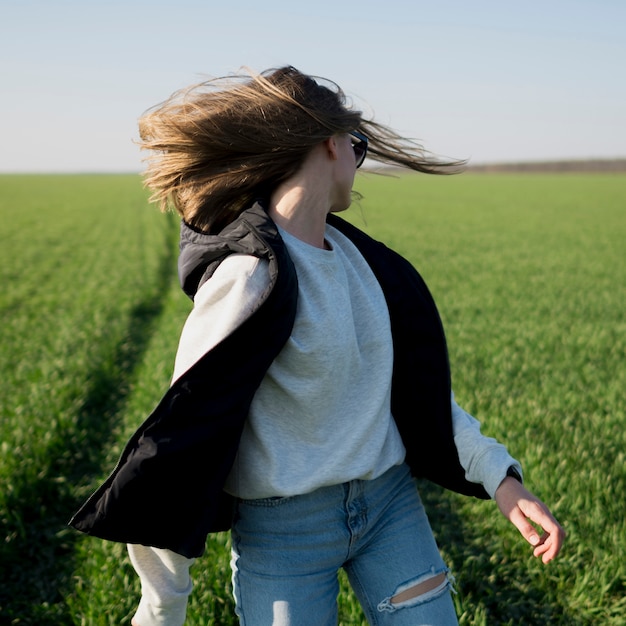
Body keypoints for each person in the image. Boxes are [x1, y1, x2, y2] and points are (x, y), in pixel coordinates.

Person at [70, 66, 565, 625]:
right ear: (330, 144)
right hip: (284, 533)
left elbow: (415, 396)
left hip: (389, 508)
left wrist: (499, 476)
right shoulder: (247, 281)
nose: (360, 163)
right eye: (358, 147)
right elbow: (180, 442)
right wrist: (162, 607)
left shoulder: (367, 266)